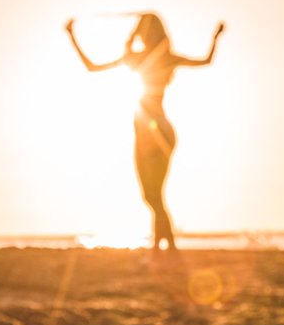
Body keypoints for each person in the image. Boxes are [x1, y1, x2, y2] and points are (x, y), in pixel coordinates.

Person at [65, 13, 224, 251]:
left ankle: (166, 246)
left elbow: (92, 67)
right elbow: (206, 61)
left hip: (150, 130)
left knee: (152, 195)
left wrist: (71, 35)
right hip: (158, 129)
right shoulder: (165, 57)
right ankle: (161, 245)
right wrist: (215, 37)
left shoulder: (137, 58)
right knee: (153, 194)